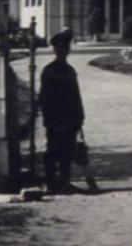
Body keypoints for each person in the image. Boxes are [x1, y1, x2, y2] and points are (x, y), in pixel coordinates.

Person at [39, 27, 84, 193]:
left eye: (66, 48)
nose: (64, 51)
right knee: (53, 150)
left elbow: (76, 95)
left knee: (68, 151)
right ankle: (51, 182)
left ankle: (64, 181)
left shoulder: (70, 70)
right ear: (55, 49)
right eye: (60, 48)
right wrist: (48, 117)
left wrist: (80, 115)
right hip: (56, 118)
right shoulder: (49, 71)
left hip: (70, 117)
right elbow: (45, 97)